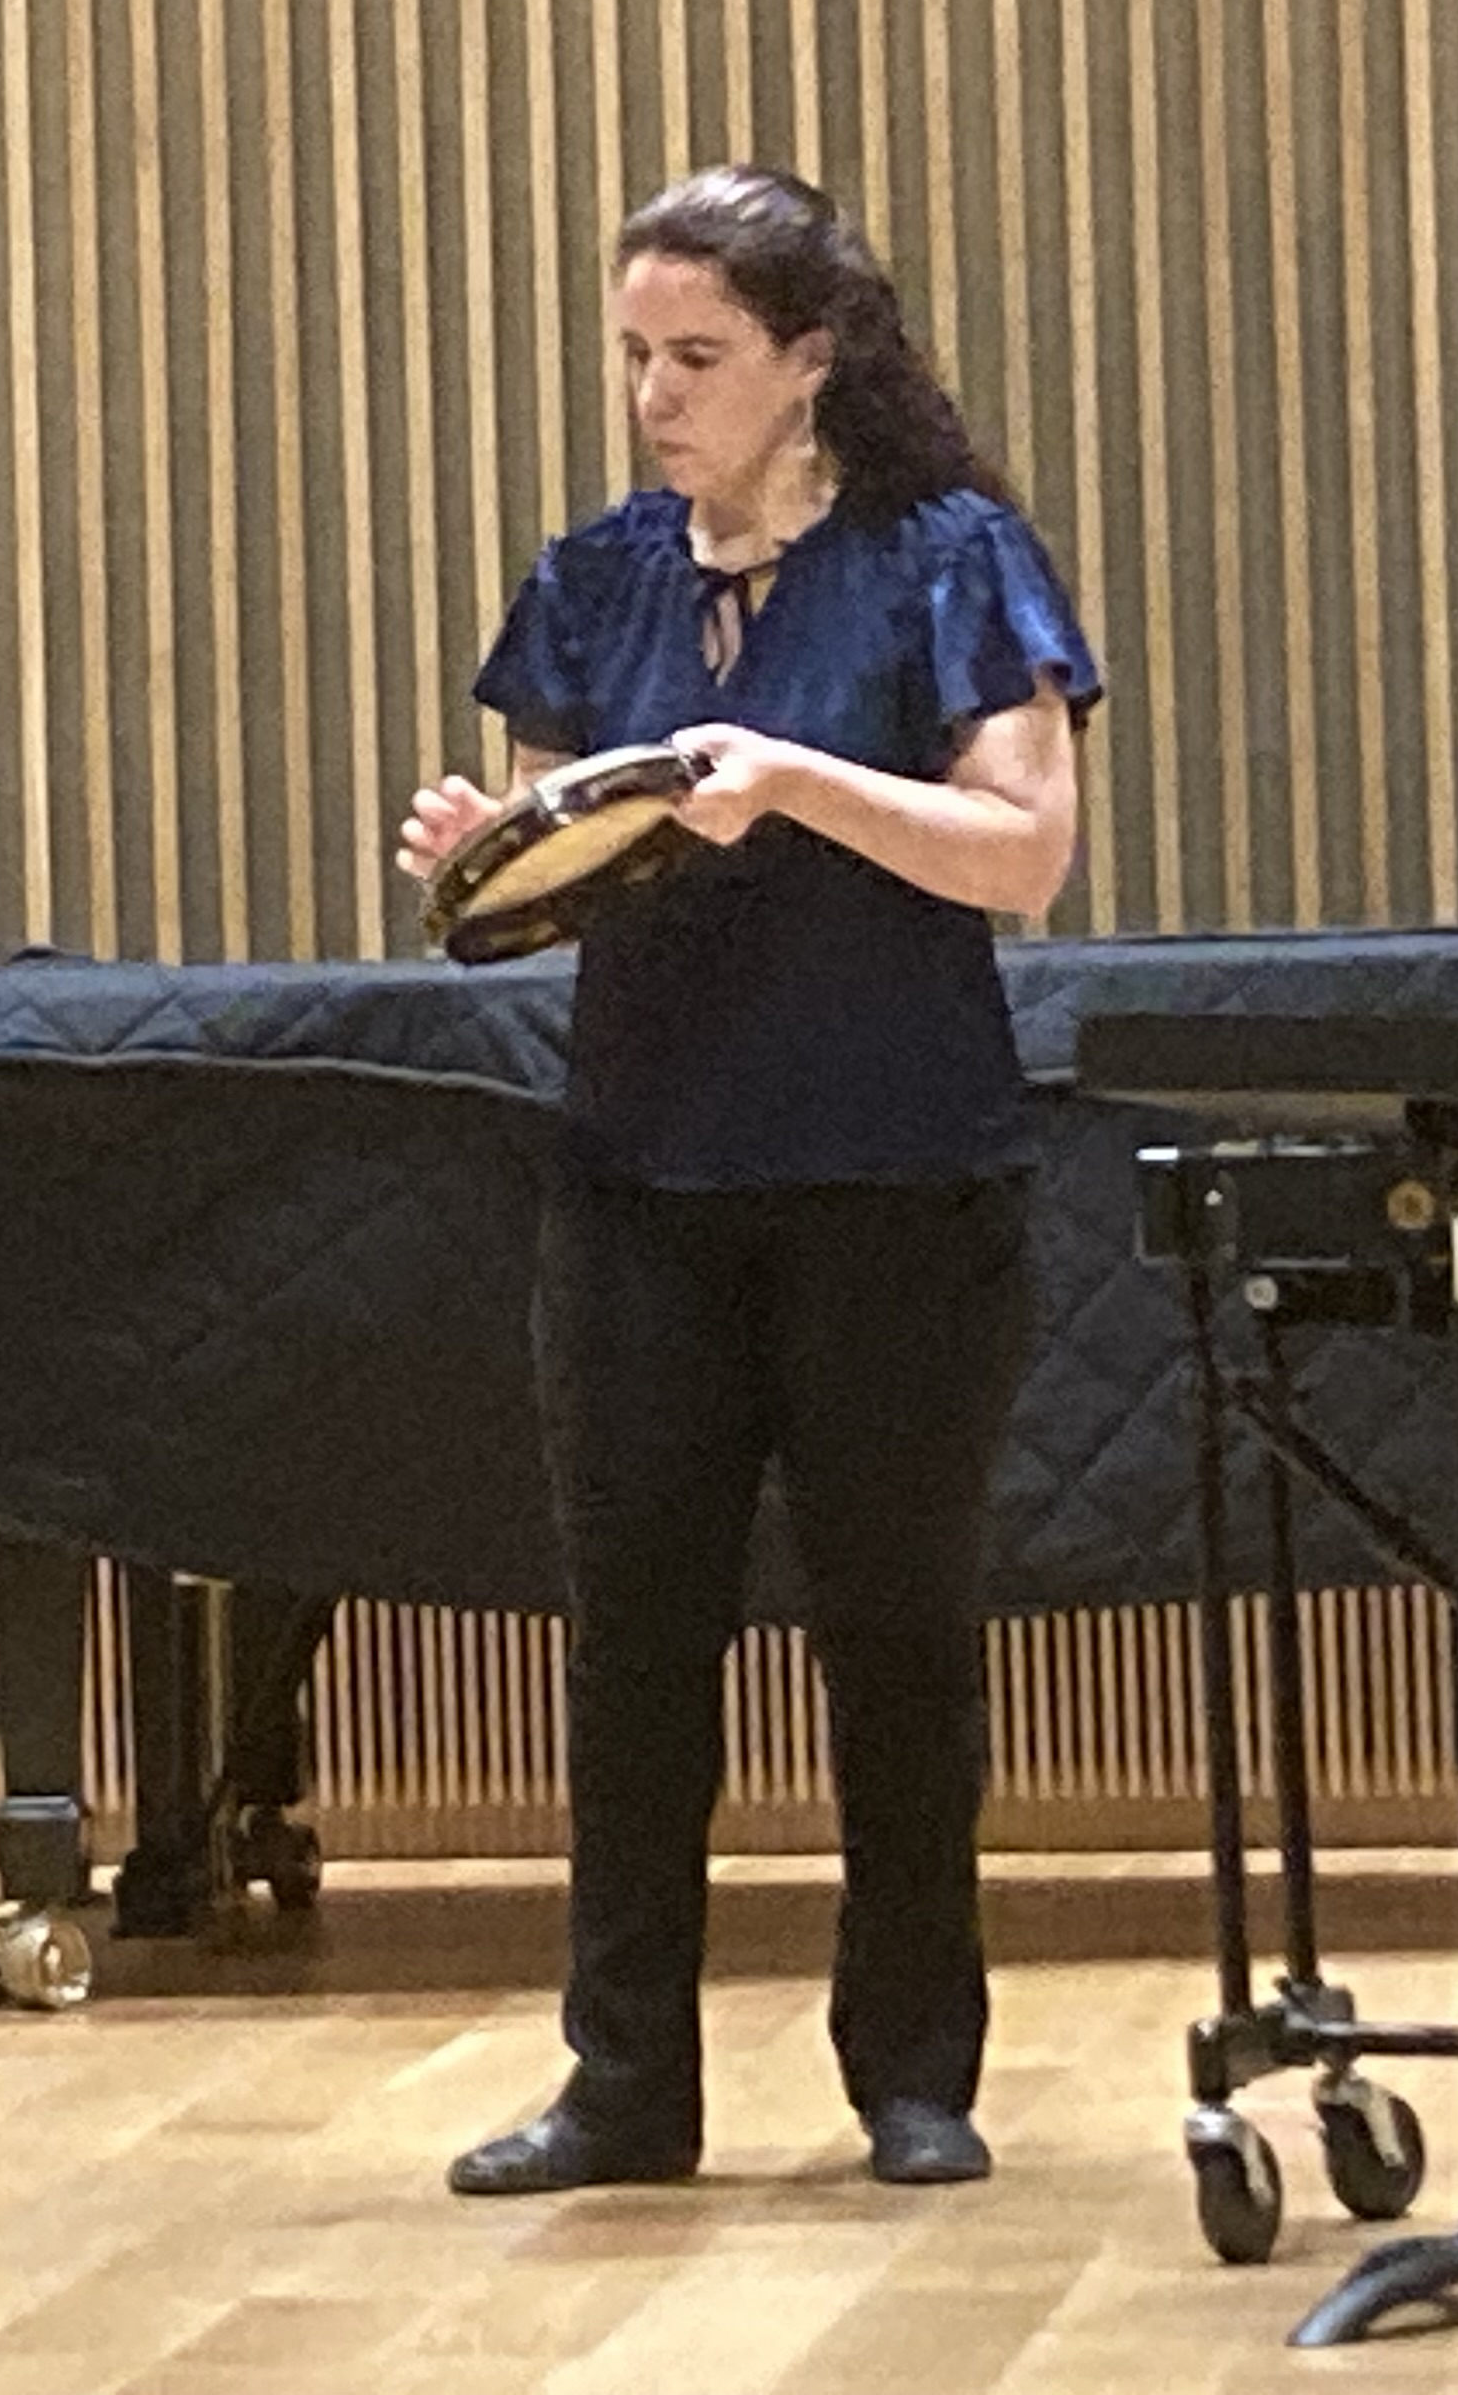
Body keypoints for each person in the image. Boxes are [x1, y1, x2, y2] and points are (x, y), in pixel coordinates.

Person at [394, 166, 1100, 2196]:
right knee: (631, 1646)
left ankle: (914, 2071)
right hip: (645, 1174)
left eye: (698, 357)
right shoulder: (600, 581)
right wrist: (477, 845)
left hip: (897, 1171)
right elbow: (562, 875)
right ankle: (627, 2085)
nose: (654, 396)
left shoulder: (945, 558)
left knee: (896, 1628)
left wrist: (790, 777)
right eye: (635, 355)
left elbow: (1022, 854)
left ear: (813, 364)